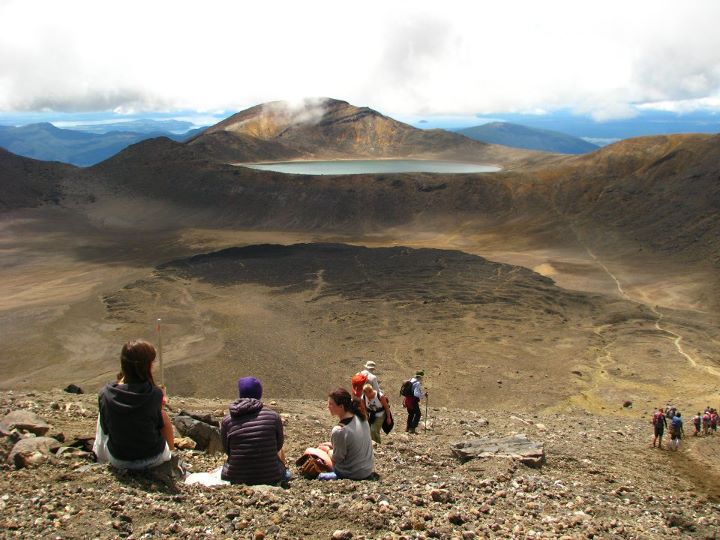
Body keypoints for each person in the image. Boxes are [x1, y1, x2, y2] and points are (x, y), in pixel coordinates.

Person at [94, 340, 174, 469]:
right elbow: (157, 423)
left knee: (103, 413)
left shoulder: (105, 393)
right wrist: (159, 403)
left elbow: (106, 429)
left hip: (118, 460)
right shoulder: (154, 394)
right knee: (162, 415)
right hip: (154, 457)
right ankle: (171, 452)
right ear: (147, 366)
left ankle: (100, 457)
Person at [220, 377, 289, 485]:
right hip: (271, 477)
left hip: (237, 477)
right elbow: (278, 445)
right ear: (259, 393)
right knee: (280, 454)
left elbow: (227, 449)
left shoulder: (228, 420)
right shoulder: (273, 416)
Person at [320, 388, 374, 480]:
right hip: (367, 470)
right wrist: (331, 445)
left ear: (341, 406)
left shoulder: (339, 430)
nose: (328, 406)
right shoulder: (361, 418)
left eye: (331, 404)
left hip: (352, 473)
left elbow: (337, 459)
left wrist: (327, 450)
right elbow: (351, 443)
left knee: (314, 452)